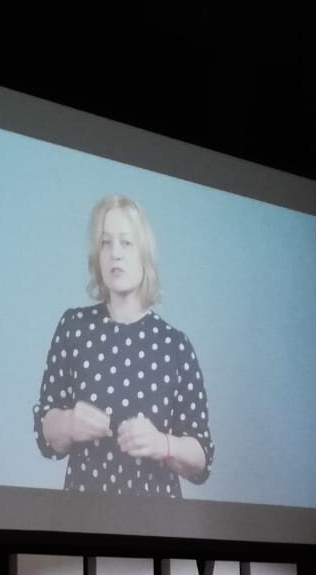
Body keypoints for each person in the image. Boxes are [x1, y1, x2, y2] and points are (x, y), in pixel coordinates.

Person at [33, 195, 213, 497]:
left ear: (144, 254)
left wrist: (162, 444)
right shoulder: (74, 327)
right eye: (106, 243)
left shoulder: (175, 346)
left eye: (126, 243)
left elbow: (201, 458)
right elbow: (45, 431)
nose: (115, 253)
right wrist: (69, 422)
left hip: (155, 520)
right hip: (84, 516)